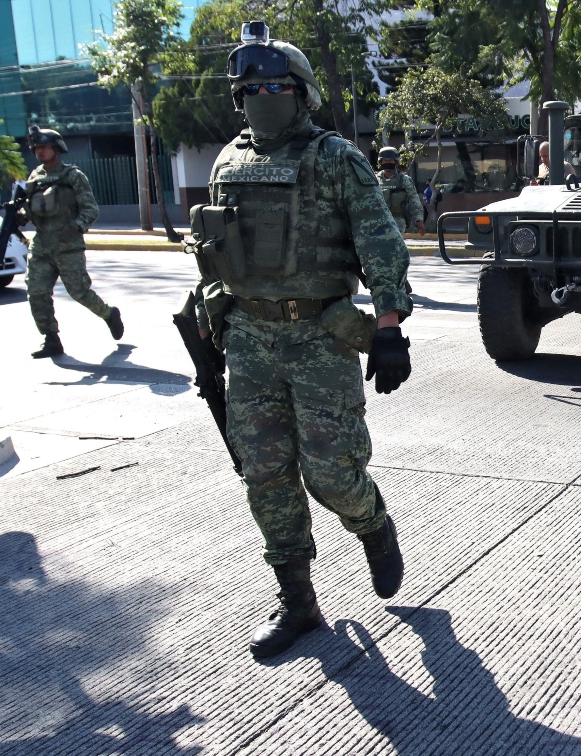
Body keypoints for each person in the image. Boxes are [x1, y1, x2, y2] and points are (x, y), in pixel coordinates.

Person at [192, 23, 413, 658]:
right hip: (249, 341)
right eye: (251, 88)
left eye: (276, 86)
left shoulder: (334, 157)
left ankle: (373, 524)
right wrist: (209, 324)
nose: (263, 96)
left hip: (321, 337)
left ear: (302, 92)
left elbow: (380, 243)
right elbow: (214, 253)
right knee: (264, 475)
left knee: (330, 473)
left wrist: (391, 327)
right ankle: (298, 603)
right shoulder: (229, 163)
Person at [21, 125, 123, 358]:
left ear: (57, 149)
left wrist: (76, 227)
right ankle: (51, 339)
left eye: (45, 147)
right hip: (41, 246)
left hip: (68, 246)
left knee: (79, 292)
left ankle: (109, 314)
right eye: (37, 148)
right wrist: (20, 216)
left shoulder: (73, 176)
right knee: (36, 292)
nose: (40, 152)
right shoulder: (35, 177)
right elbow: (33, 210)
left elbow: (90, 209)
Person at [376, 147, 424, 236]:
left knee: (396, 247)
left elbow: (414, 200)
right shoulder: (374, 180)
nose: (387, 163)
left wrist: (420, 221)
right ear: (381, 162)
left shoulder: (404, 180)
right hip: (379, 220)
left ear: (396, 162)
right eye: (385, 161)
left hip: (398, 220)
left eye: (390, 160)